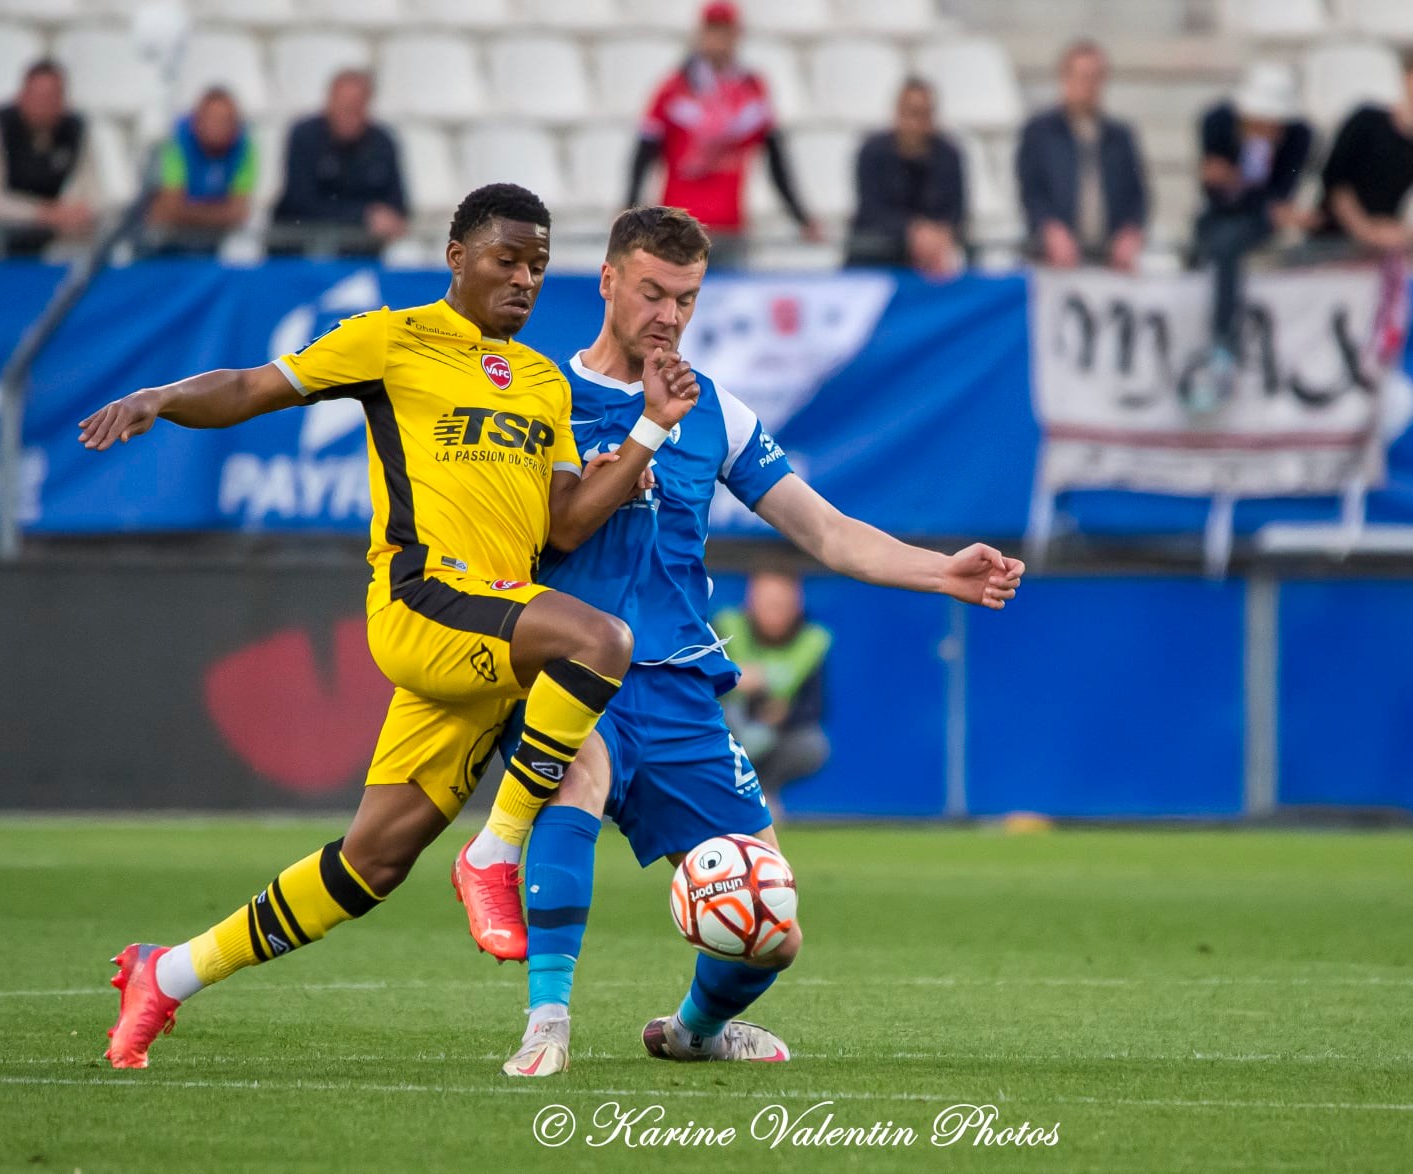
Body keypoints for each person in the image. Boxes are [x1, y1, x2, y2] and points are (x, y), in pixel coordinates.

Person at [83, 184, 703, 1070]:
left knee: (370, 863)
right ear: (457, 257)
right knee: (600, 641)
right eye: (505, 259)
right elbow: (255, 385)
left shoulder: (538, 381)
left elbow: (566, 523)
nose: (523, 278)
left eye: (536, 264)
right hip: (426, 600)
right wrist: (163, 396)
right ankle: (494, 852)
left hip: (495, 637)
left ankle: (165, 973)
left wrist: (648, 429)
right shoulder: (391, 338)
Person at [448, 205, 1024, 1077]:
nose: (669, 316)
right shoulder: (540, 396)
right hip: (571, 666)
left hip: (680, 688)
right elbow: (535, 532)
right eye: (652, 293)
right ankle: (547, 1021)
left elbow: (825, 532)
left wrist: (939, 570)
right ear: (608, 282)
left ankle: (695, 1030)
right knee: (576, 776)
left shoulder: (715, 411)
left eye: (686, 298)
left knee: (772, 923)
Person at [625, 0, 820, 268]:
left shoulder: (753, 91)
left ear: (737, 35)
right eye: (712, 30)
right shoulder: (674, 88)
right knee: (675, 303)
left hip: (730, 228)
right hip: (677, 228)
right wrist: (629, 208)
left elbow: (777, 160)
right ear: (700, 33)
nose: (718, 38)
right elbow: (644, 152)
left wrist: (801, 217)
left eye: (725, 30)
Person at [1187, 63, 1314, 409]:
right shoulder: (1216, 123)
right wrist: (1249, 193)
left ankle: (1223, 344)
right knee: (1211, 240)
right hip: (1222, 216)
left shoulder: (1298, 136)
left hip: (1248, 222)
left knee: (1225, 243)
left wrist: (1238, 185)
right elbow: (1217, 192)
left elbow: (1279, 196)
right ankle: (1216, 345)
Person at [1016, 40, 1148, 272]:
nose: (1090, 86)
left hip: (1109, 260)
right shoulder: (1040, 132)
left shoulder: (1120, 136)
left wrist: (1131, 232)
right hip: (1055, 260)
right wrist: (1050, 230)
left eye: (1096, 77)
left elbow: (1137, 195)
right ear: (1065, 79)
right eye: (1083, 77)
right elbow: (1031, 192)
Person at [0, 59, 99, 259]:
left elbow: (92, 194)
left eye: (53, 97)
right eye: (39, 96)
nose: (45, 105)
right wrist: (46, 214)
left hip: (34, 241)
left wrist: (76, 213)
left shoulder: (75, 131)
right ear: (21, 96)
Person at [1315, 44, 1413, 254]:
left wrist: (1402, 234)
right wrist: (1366, 230)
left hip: (1380, 253)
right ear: (1408, 77)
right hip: (1331, 245)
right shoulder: (1365, 121)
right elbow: (1334, 182)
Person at [713, 570, 832, 807]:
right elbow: (695, 686)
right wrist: (732, 678)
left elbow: (815, 706)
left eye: (780, 605)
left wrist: (782, 714)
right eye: (767, 604)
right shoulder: (726, 626)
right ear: (750, 602)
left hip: (774, 734)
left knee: (812, 745)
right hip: (726, 727)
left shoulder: (812, 640)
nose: (773, 613)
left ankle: (761, 791)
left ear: (795, 605)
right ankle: (717, 797)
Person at [271, 69, 408, 257]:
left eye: (356, 107)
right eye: (344, 106)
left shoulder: (382, 143)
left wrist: (387, 220)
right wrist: (362, 216)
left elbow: (398, 205)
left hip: (363, 253)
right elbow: (300, 203)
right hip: (302, 251)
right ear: (329, 103)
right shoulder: (305, 137)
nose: (349, 115)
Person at [844, 77, 967, 278]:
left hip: (932, 262)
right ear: (897, 113)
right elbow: (872, 210)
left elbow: (956, 211)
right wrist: (912, 232)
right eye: (912, 113)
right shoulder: (872, 152)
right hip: (877, 260)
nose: (918, 123)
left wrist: (938, 235)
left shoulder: (949, 155)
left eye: (925, 114)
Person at [146, 87, 258, 255]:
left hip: (213, 244)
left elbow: (239, 212)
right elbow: (166, 210)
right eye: (211, 119)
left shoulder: (244, 148)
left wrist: (186, 211)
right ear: (197, 121)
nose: (217, 126)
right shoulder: (176, 143)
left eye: (225, 120)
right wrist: (221, 214)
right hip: (163, 246)